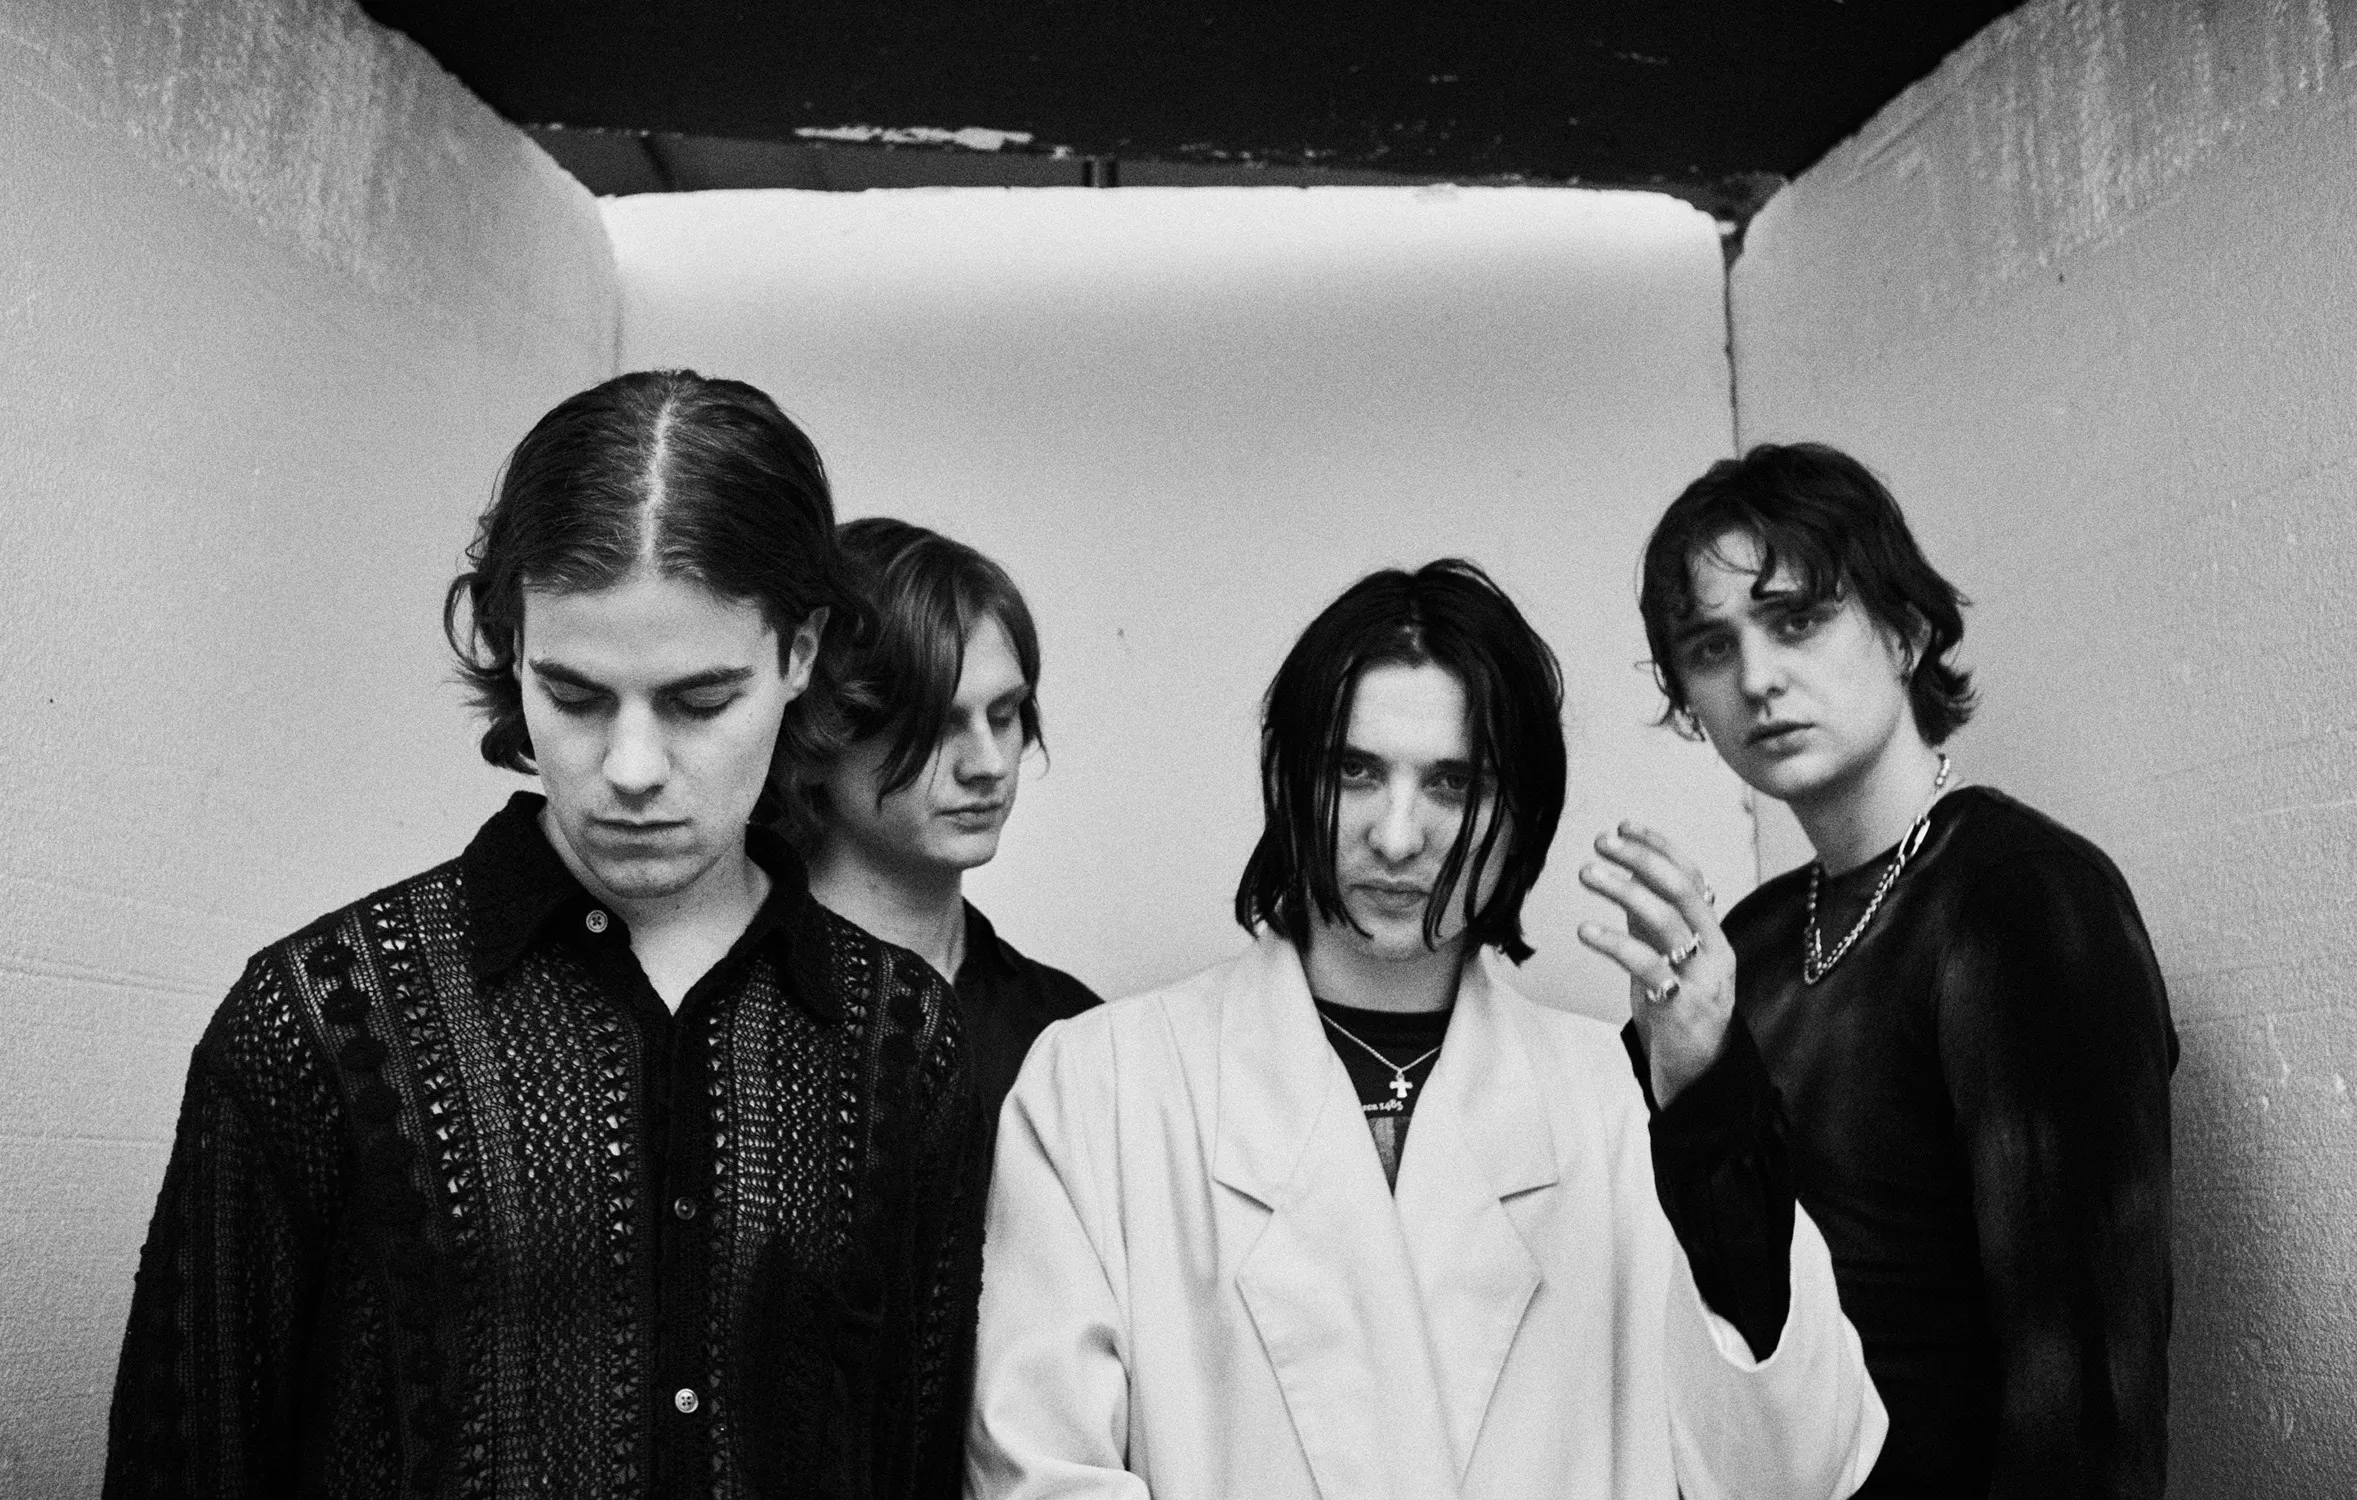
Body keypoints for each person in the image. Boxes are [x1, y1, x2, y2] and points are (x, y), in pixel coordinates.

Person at [104, 370, 980, 1498]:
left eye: (700, 702)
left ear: (799, 655)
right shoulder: (321, 1020)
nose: (632, 768)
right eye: (574, 696)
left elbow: (910, 1458)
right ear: (511, 650)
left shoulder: (899, 1037)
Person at [967, 559, 1886, 1500]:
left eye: (1452, 783)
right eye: (1354, 772)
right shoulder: (1102, 1086)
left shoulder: (1617, 1107)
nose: (1397, 836)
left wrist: (1709, 1109)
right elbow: (1038, 1474)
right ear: (1289, 779)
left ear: (1521, 812)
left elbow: (1794, 1471)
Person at [1623, 441, 2175, 1497]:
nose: (1755, 678)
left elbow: (2089, 1385)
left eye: (1795, 620)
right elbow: (1728, 1329)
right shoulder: (1749, 944)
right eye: (1709, 646)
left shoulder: (2020, 898)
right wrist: (1692, 1086)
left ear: (1904, 632)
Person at [790, 517, 1099, 1171]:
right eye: (937, 725)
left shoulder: (1068, 1031)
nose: (988, 764)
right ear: (818, 739)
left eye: (1004, 715)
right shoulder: (727, 1010)